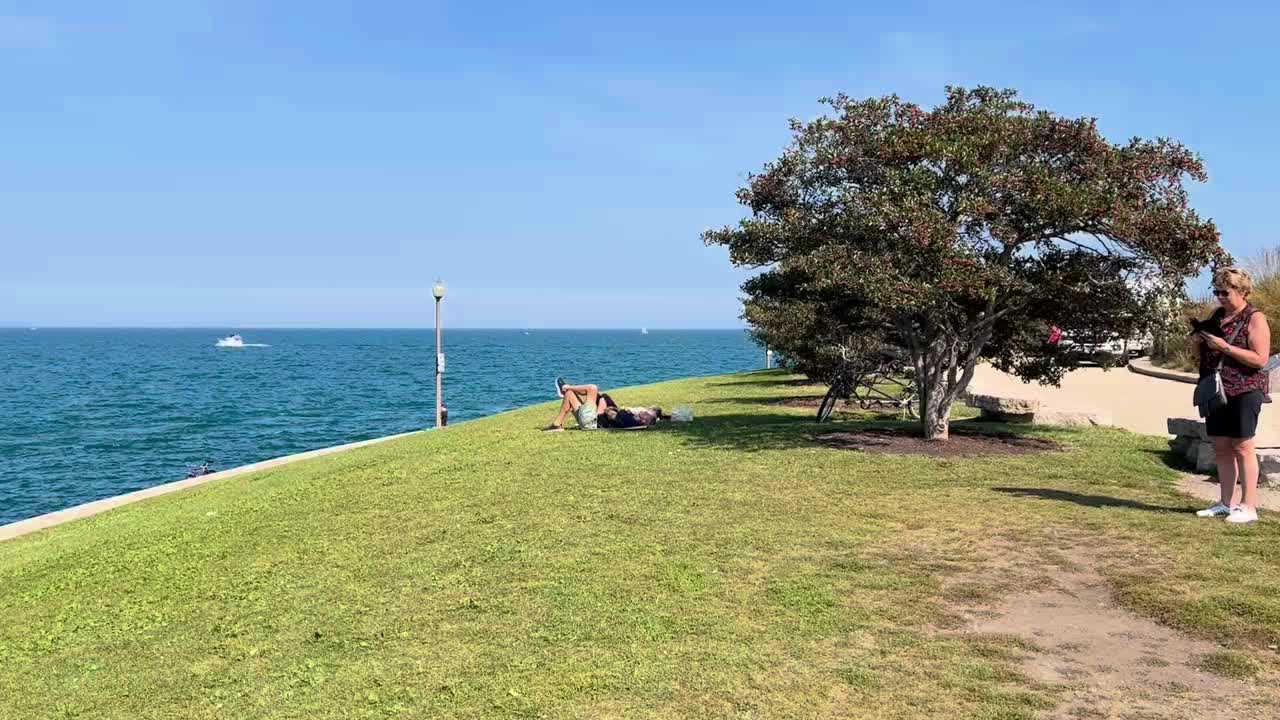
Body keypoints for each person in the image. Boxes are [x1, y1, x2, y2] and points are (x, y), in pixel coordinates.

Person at [1193, 267, 1271, 524]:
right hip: (1216, 389)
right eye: (1216, 292)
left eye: (1225, 292)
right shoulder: (1217, 315)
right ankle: (1226, 503)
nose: (1220, 297)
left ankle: (1249, 506)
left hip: (1245, 389)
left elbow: (1260, 359)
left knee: (1243, 446)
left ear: (1242, 291)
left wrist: (1225, 347)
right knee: (1221, 447)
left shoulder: (1254, 318)